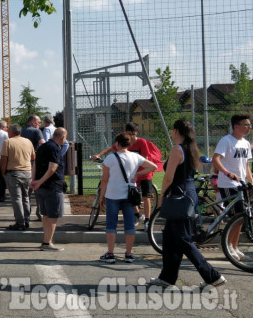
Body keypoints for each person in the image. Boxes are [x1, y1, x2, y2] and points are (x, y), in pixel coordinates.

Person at [150, 119, 226, 288]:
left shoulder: (177, 149)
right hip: (187, 194)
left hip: (179, 196)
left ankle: (212, 276)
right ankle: (167, 278)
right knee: (170, 237)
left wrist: (162, 195)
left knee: (183, 239)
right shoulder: (191, 149)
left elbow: (169, 177)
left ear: (176, 131)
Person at [99, 133, 157, 263]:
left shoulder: (110, 159)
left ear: (117, 144)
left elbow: (104, 180)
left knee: (111, 224)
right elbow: (153, 166)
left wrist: (101, 196)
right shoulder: (135, 157)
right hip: (129, 195)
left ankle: (110, 253)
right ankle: (129, 254)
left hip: (112, 194)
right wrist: (137, 174)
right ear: (129, 144)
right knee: (129, 224)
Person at [91, 122, 161, 229]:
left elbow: (145, 158)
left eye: (133, 133)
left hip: (144, 173)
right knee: (131, 195)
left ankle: (147, 220)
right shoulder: (125, 142)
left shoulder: (141, 142)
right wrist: (98, 155)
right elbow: (110, 148)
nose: (131, 136)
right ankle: (137, 215)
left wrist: (137, 171)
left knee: (146, 197)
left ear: (136, 133)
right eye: (129, 133)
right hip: (132, 175)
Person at [212, 114, 253, 262]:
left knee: (241, 218)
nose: (249, 127)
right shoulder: (226, 140)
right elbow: (215, 159)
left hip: (241, 184)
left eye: (250, 125)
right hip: (229, 184)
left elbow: (246, 166)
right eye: (246, 125)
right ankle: (229, 247)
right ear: (236, 126)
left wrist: (251, 181)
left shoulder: (246, 143)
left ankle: (234, 247)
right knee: (237, 216)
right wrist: (227, 173)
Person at [30, 127, 68, 251]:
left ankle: (46, 241)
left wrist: (34, 180)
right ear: (62, 137)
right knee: (52, 216)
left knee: (46, 215)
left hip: (42, 187)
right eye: (65, 137)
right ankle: (47, 243)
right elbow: (52, 168)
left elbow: (35, 164)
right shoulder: (55, 148)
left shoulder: (43, 146)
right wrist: (39, 181)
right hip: (52, 186)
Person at [0, 124, 35, 230]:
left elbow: (3, 159)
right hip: (27, 172)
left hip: (13, 173)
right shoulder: (28, 141)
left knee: (17, 198)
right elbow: (33, 157)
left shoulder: (8, 142)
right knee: (26, 197)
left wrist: (3, 172)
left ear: (11, 132)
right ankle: (26, 219)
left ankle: (20, 222)